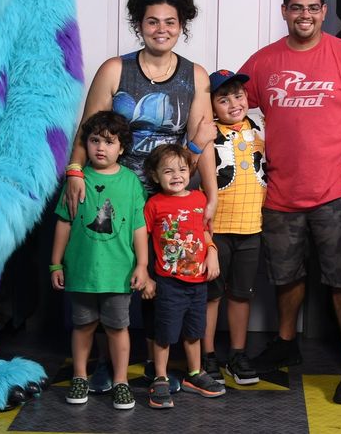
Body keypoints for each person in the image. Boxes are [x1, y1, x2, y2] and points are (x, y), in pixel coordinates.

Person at [62, 0, 218, 393]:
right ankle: (101, 364)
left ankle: (156, 366)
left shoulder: (195, 74)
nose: (161, 29)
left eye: (170, 22)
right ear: (139, 26)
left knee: (162, 279)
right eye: (152, 21)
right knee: (107, 275)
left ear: (181, 28)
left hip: (170, 196)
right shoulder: (115, 69)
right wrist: (75, 171)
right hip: (114, 189)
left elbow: (203, 140)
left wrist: (212, 198)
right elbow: (88, 128)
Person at [238, 0, 341, 404]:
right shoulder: (265, 61)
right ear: (284, 12)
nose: (305, 15)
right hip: (280, 191)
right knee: (285, 275)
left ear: (323, 13)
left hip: (337, 190)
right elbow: (227, 106)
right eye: (296, 8)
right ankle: (286, 344)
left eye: (312, 8)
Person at [49, 111, 150, 410]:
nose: (100, 148)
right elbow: (64, 223)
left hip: (118, 273)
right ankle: (80, 376)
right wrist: (56, 263)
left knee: (119, 328)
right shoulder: (77, 181)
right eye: (94, 141)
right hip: (81, 272)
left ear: (122, 147)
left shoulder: (130, 182)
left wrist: (142, 265)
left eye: (109, 141)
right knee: (83, 326)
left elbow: (138, 226)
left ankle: (121, 381)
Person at [142, 144, 226, 409]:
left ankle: (194, 374)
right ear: (155, 176)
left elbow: (205, 233)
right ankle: (160, 378)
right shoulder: (154, 204)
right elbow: (141, 238)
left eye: (181, 169)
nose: (176, 175)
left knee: (194, 332)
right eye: (168, 171)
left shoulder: (200, 199)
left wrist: (212, 253)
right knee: (164, 333)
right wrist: (145, 274)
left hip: (198, 283)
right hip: (169, 283)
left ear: (190, 170)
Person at [200, 70, 267, 386]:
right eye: (223, 99)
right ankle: (207, 354)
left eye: (238, 95)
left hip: (251, 227)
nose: (233, 103)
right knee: (211, 295)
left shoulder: (258, 127)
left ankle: (238, 354)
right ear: (212, 106)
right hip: (216, 229)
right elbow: (189, 165)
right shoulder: (208, 133)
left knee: (242, 294)